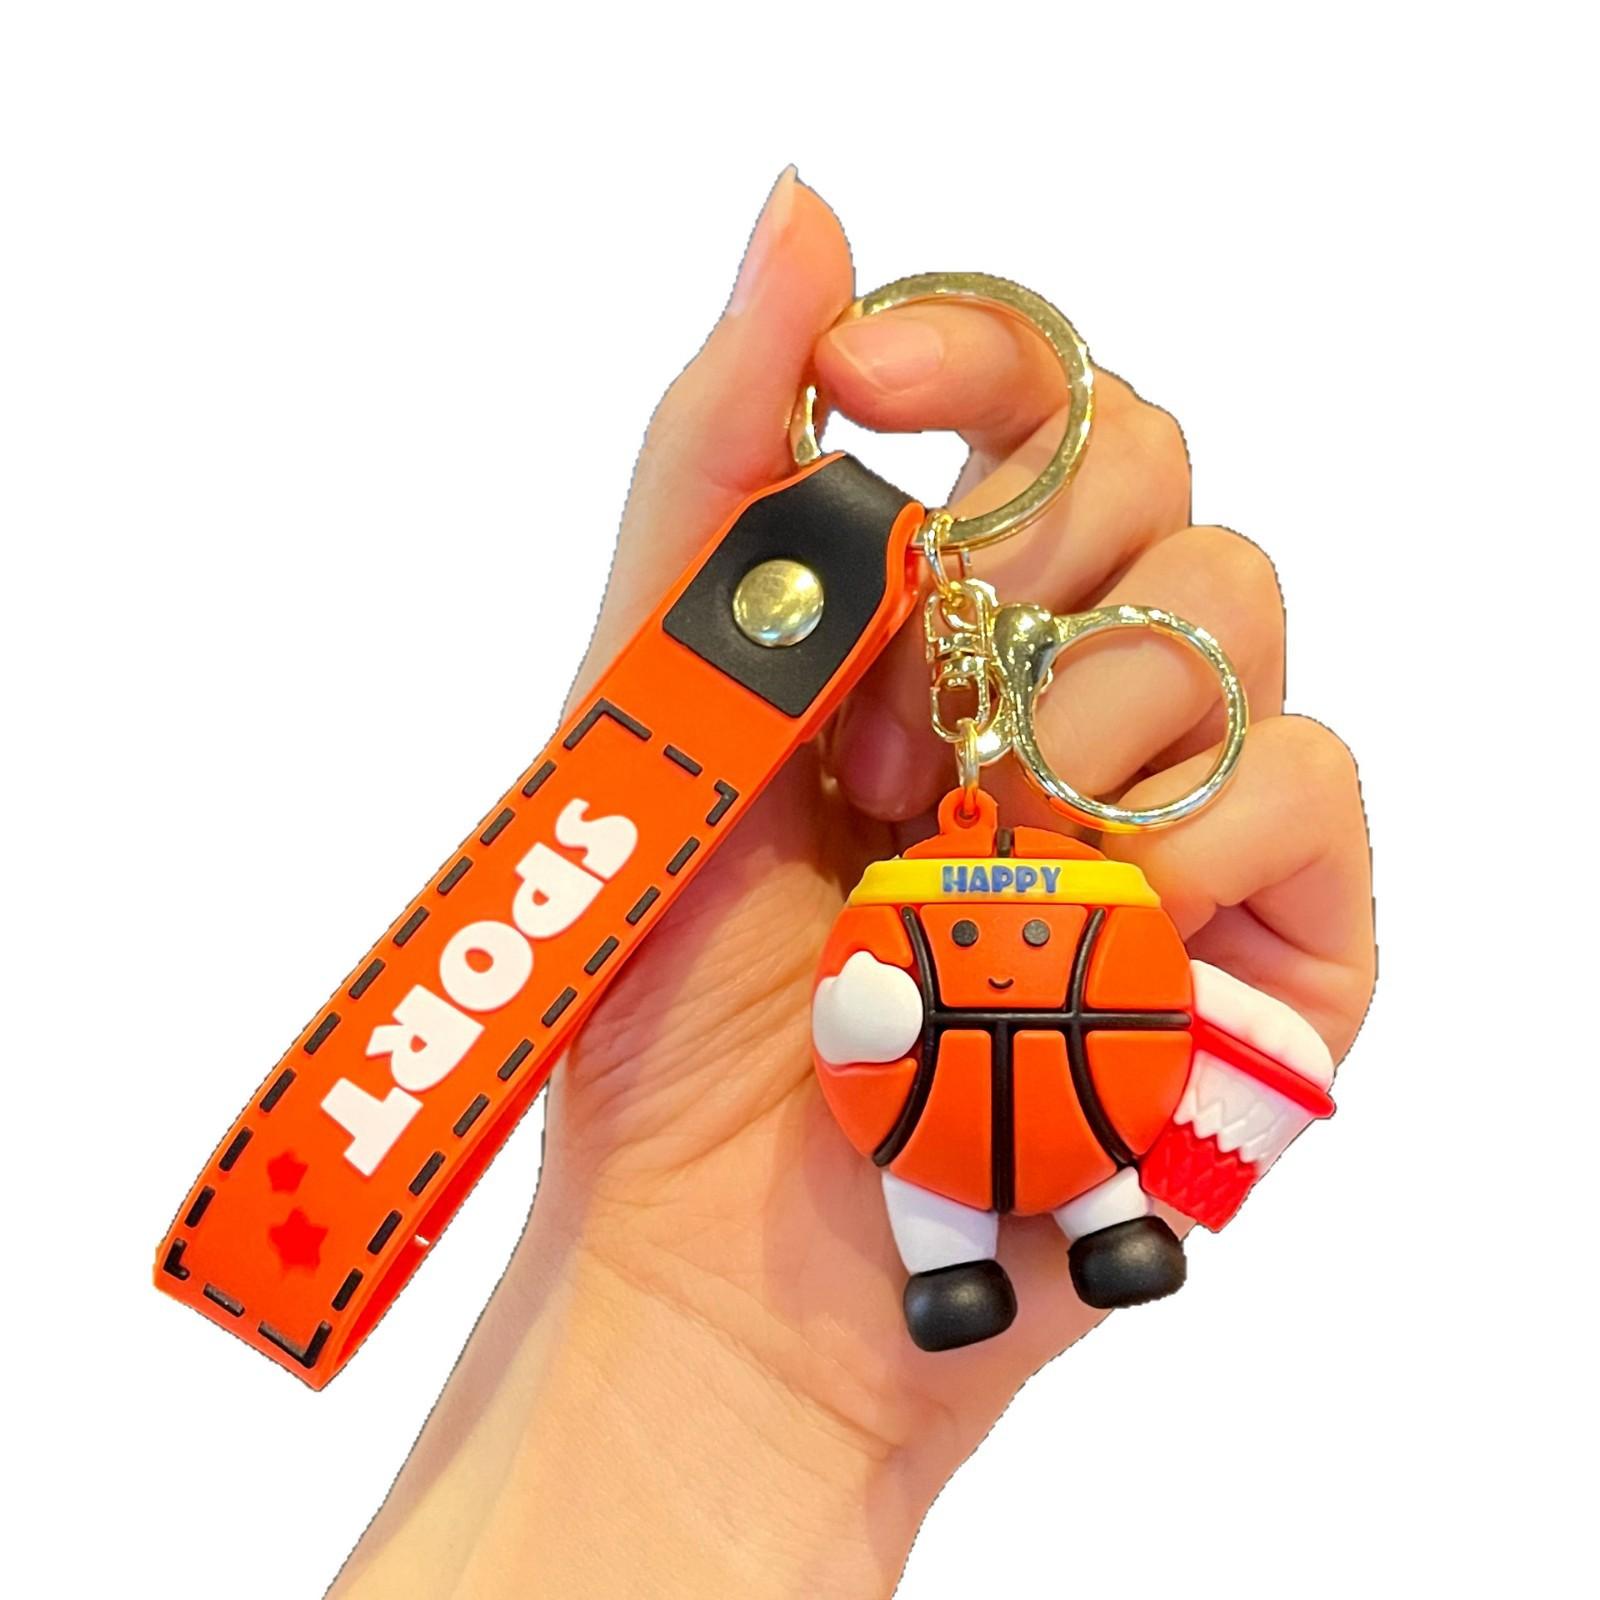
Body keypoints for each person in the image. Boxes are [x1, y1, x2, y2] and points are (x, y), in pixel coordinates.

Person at [329, 168, 1376, 1598]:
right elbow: (870, 1023)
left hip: (1049, 1110)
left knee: (1036, 1175)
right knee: (943, 1198)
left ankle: (1098, 1226)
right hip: (939, 1133)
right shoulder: (907, 975)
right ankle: (988, 1257)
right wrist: (705, 1342)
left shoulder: (1030, 951)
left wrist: (754, 1397)